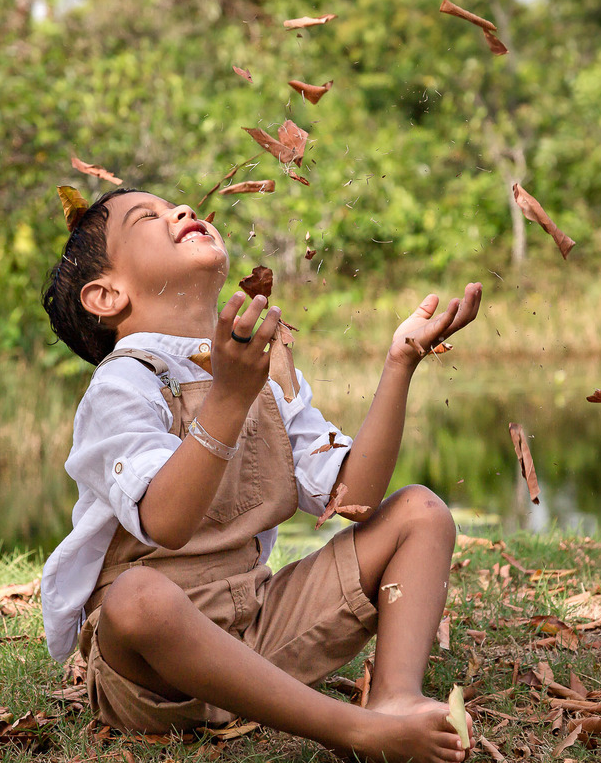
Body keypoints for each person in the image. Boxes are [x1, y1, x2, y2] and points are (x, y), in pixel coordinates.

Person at [40, 185, 482, 763]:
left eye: (179, 206)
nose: (183, 211)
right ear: (107, 295)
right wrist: (228, 397)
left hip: (257, 631)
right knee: (137, 598)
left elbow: (357, 496)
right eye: (147, 217)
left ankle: (395, 699)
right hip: (150, 673)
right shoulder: (122, 386)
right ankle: (352, 729)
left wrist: (400, 361)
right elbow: (166, 522)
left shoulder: (262, 376)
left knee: (420, 512)